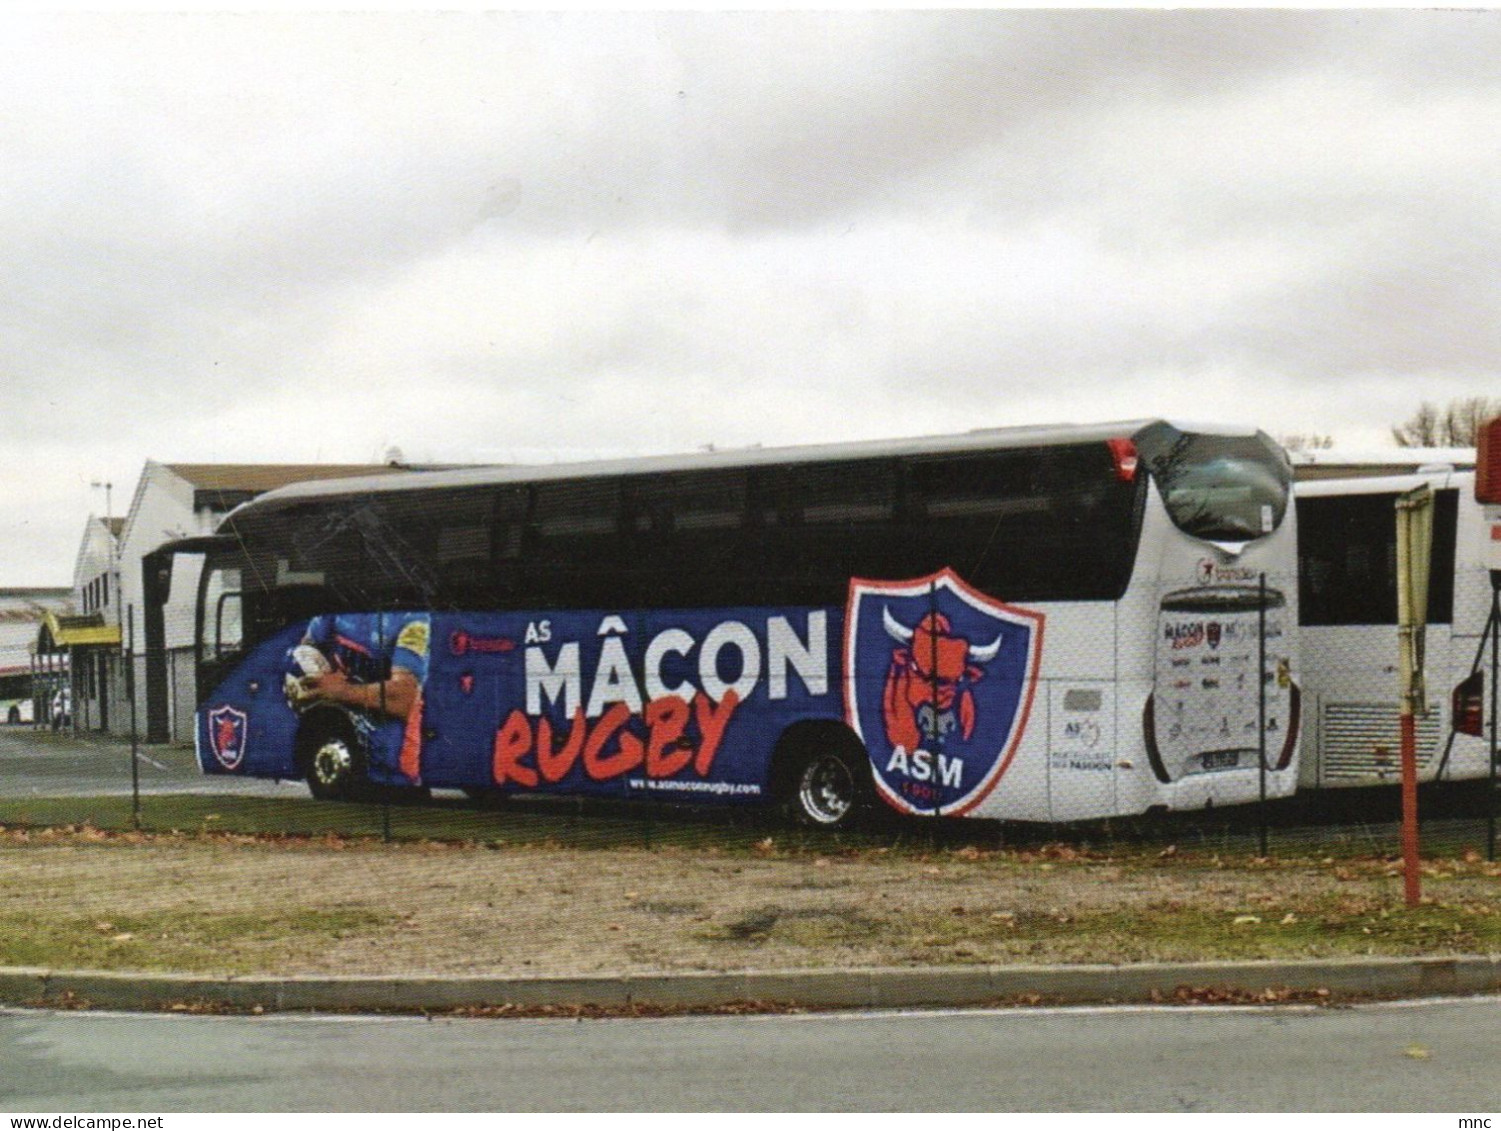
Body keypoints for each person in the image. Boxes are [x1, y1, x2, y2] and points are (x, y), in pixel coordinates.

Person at [287, 611, 431, 782]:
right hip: (349, 756)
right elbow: (307, 651)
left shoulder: (414, 619)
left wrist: (339, 691)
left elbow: (402, 697)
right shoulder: (334, 611)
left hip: (395, 767)